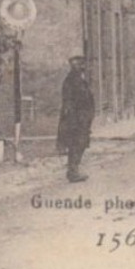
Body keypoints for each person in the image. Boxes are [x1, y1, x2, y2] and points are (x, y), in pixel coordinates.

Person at [56, 55, 96, 183]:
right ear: (73, 66)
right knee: (75, 144)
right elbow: (69, 102)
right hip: (75, 119)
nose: (82, 66)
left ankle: (74, 170)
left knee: (81, 143)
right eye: (78, 64)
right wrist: (73, 119)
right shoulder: (71, 81)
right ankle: (72, 172)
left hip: (82, 118)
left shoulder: (80, 79)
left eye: (82, 64)